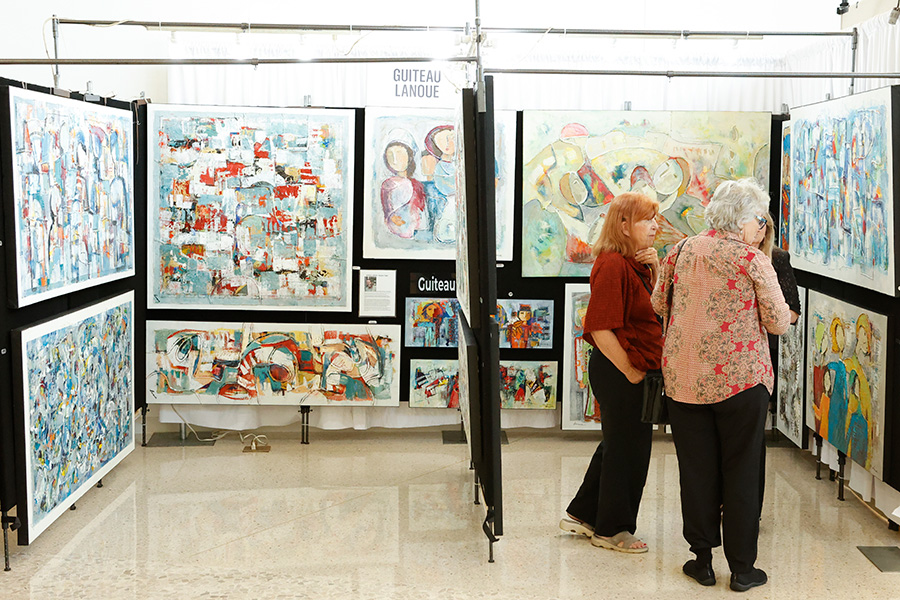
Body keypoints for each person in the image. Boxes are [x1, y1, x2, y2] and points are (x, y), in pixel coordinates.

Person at [652, 178, 789, 592]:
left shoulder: (680, 250)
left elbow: (658, 303)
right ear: (742, 219)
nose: (761, 228)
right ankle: (743, 570)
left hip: (685, 379)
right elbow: (779, 322)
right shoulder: (752, 260)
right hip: (740, 381)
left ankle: (702, 561)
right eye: (759, 219)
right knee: (743, 471)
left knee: (696, 471)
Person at [558, 192, 662, 554]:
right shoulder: (613, 265)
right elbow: (600, 329)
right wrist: (631, 371)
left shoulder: (633, 264)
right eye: (646, 220)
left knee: (618, 445)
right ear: (623, 225)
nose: (655, 226)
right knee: (629, 452)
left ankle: (584, 513)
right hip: (620, 369)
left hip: (628, 369)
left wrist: (657, 270)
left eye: (655, 218)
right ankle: (613, 530)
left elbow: (655, 311)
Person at [754, 213, 801, 512]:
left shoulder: (777, 258)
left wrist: (768, 316)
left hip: (763, 350)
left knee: (754, 436)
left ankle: (749, 510)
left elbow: (793, 311)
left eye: (763, 225)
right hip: (731, 353)